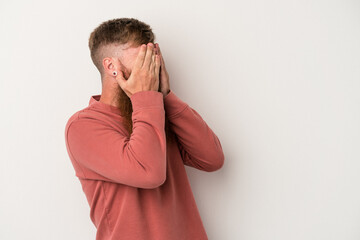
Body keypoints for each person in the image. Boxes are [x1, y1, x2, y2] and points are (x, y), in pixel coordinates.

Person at [64, 17, 225, 240]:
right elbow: (149, 173)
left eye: (152, 58)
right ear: (111, 66)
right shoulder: (83, 126)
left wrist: (165, 96)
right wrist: (146, 98)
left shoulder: (155, 110)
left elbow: (212, 159)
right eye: (142, 60)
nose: (150, 68)